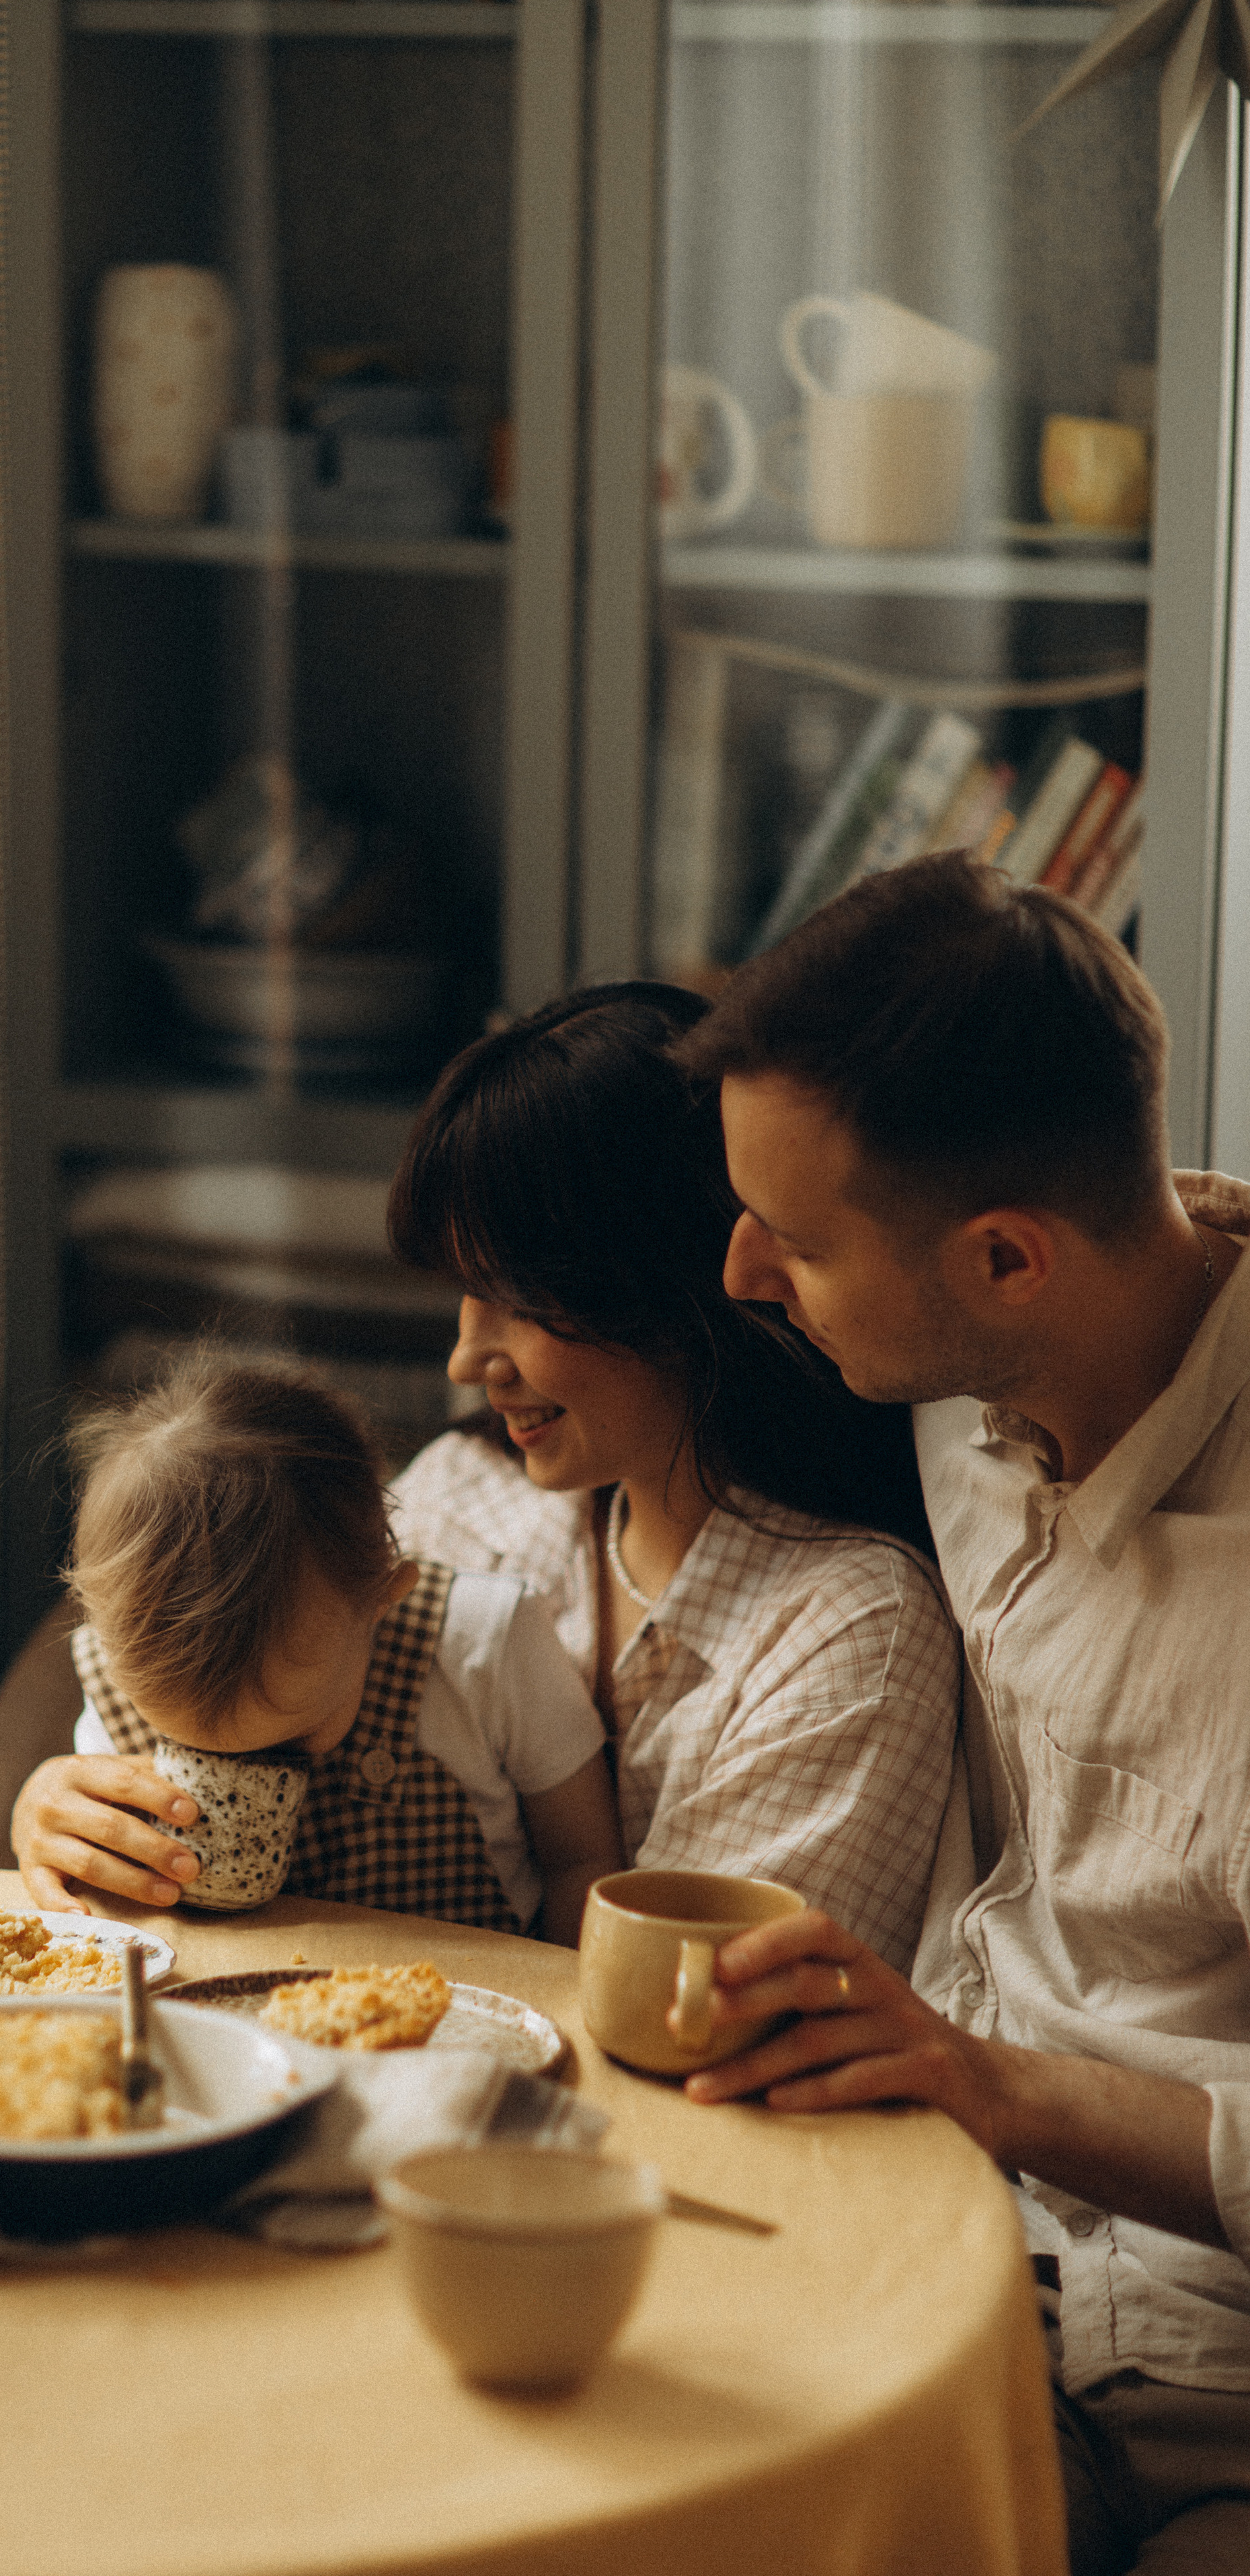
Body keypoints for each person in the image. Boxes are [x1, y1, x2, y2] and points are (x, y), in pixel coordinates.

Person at [669, 851, 1250, 2571]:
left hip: (1198, 2388)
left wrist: (981, 2082)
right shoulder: (972, 1363)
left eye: (796, 1242)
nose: (739, 1275)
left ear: (1004, 1259)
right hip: (921, 2244)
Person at [6, 983, 959, 1974]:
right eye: (465, 1292)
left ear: (675, 1289)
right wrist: (60, 1813)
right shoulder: (467, 1494)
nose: (467, 1359)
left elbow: (688, 2010)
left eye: (518, 1299)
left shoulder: (843, 1636)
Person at [11, 1353, 623, 1943]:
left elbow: (582, 1861)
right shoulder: (117, 1677)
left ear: (382, 1598)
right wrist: (48, 1827)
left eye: (291, 1740)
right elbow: (99, 1871)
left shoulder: (488, 1641)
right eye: (188, 1748)